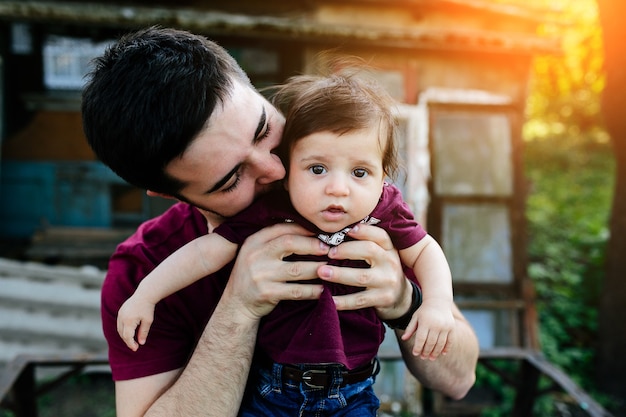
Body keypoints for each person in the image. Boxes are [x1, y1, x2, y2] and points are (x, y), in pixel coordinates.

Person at [82, 26, 479, 417]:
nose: (276, 169)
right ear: (170, 194)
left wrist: (405, 302)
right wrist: (237, 307)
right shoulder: (143, 267)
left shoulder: (357, 200)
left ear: (255, 90)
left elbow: (459, 380)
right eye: (231, 178)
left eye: (263, 130)